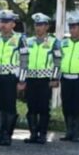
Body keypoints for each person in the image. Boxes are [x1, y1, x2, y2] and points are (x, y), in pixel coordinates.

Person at [0, 10, 28, 146]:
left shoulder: (20, 39)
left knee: (9, 107)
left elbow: (24, 60)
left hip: (11, 77)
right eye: (1, 22)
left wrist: (22, 80)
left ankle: (7, 136)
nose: (3, 25)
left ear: (13, 24)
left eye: (6, 22)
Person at [23, 13, 61, 145]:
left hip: (46, 79)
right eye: (36, 25)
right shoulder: (28, 42)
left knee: (44, 108)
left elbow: (57, 61)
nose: (38, 27)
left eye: (41, 25)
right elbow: (23, 60)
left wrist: (55, 78)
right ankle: (33, 133)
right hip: (31, 78)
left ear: (47, 27)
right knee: (31, 107)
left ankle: (42, 134)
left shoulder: (53, 42)